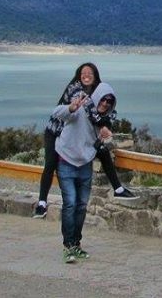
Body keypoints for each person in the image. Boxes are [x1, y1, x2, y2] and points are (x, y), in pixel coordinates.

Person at [33, 62, 135, 219]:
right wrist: (102, 124)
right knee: (51, 163)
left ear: (95, 77)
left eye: (90, 73)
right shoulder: (75, 89)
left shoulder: (100, 94)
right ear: (79, 76)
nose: (86, 76)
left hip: (77, 136)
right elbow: (90, 113)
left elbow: (106, 114)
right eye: (83, 73)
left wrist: (105, 126)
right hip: (56, 131)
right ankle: (41, 203)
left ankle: (118, 189)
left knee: (102, 151)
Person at [52, 81, 116, 263]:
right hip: (66, 162)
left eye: (109, 102)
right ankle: (68, 247)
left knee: (81, 206)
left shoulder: (102, 123)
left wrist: (104, 139)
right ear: (97, 98)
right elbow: (56, 113)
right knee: (70, 204)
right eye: (103, 99)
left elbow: (97, 146)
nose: (105, 104)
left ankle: (76, 244)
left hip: (85, 165)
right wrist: (71, 108)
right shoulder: (80, 110)